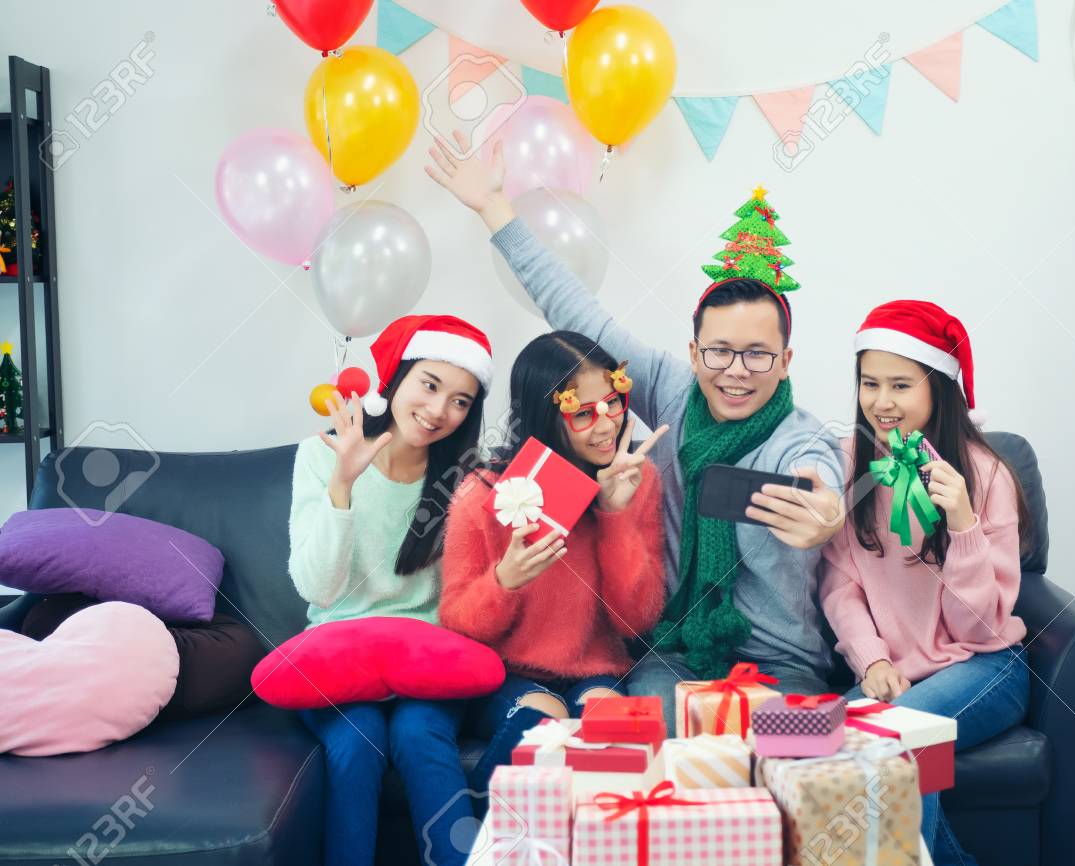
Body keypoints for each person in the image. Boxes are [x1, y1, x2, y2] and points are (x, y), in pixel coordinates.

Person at [424, 131, 847, 730]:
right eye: (720, 352)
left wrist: (828, 509)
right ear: (695, 354)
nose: (735, 372)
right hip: (672, 659)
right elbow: (574, 313)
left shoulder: (801, 438)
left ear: (785, 361)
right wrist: (496, 209)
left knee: (793, 762)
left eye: (757, 354)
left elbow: (822, 477)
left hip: (781, 665)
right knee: (657, 743)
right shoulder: (670, 389)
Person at [818, 300, 1031, 866]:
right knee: (822, 752)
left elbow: (980, 628)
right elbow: (840, 586)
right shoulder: (848, 466)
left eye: (901, 385)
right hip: (892, 672)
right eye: (870, 383)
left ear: (938, 388)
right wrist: (872, 661)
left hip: (984, 665)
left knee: (893, 745)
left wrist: (962, 525)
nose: (882, 402)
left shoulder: (985, 477)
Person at [288, 314, 494, 866]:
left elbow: (466, 600)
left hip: (427, 659)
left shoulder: (466, 478)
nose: (438, 410)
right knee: (357, 742)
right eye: (429, 385)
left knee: (420, 735)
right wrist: (342, 487)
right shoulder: (321, 455)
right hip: (337, 653)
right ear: (396, 378)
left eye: (460, 401)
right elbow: (317, 588)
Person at [439, 331, 668, 796]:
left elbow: (637, 620)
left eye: (613, 402)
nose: (606, 425)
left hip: (597, 671)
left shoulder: (638, 480)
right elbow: (456, 621)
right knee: (546, 718)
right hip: (508, 674)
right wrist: (504, 581)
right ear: (546, 416)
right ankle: (482, 845)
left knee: (607, 717)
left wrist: (614, 515)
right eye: (582, 413)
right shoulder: (483, 491)